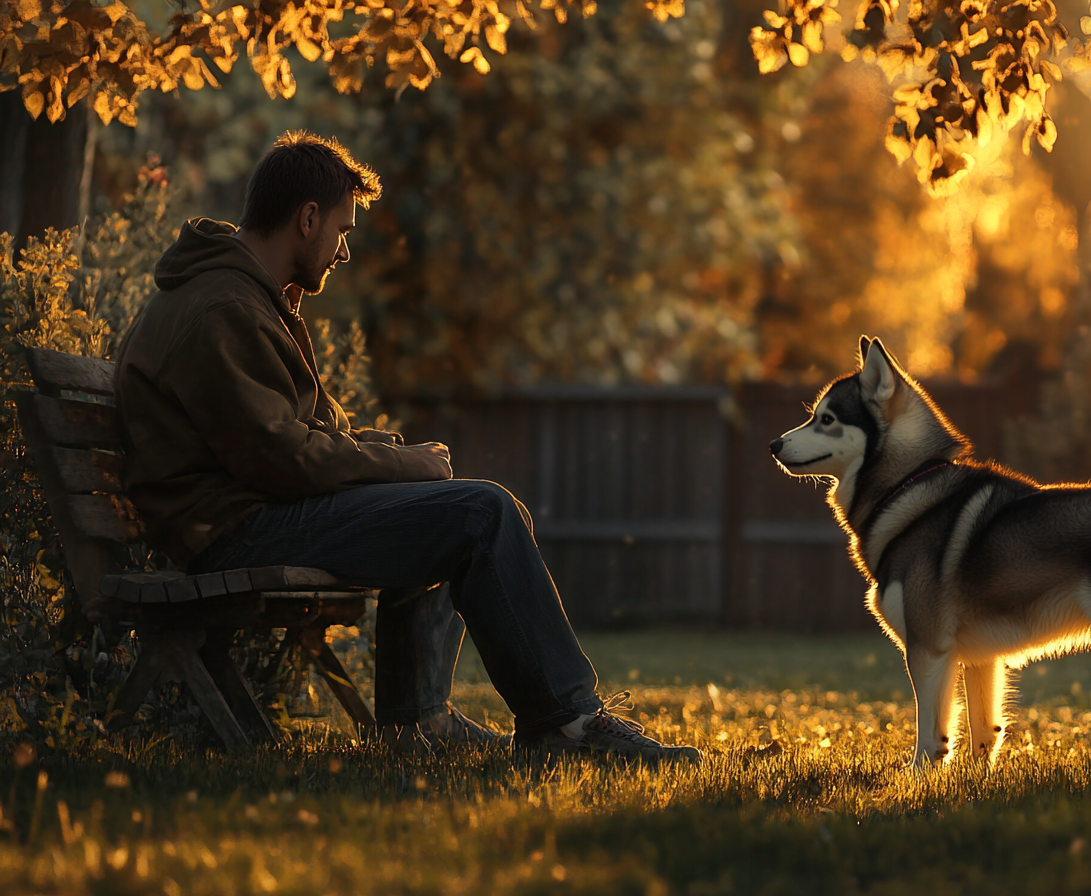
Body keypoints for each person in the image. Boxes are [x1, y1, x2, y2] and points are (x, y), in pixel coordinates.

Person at [114, 131, 700, 766]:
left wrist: (395, 457)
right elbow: (280, 460)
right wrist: (401, 465)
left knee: (452, 502)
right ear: (306, 219)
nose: (342, 251)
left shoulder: (249, 298)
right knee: (480, 513)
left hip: (245, 513)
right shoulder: (223, 308)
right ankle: (566, 724)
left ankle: (419, 722)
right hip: (232, 531)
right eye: (340, 231)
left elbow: (300, 437)